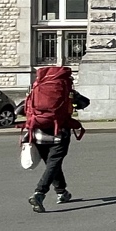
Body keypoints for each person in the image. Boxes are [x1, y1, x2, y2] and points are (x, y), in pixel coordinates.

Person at [25, 65, 89, 213]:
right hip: (59, 131)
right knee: (54, 162)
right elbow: (84, 102)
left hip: (37, 131)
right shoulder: (67, 90)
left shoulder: (35, 87)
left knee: (52, 164)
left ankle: (62, 192)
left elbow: (21, 108)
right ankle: (39, 193)